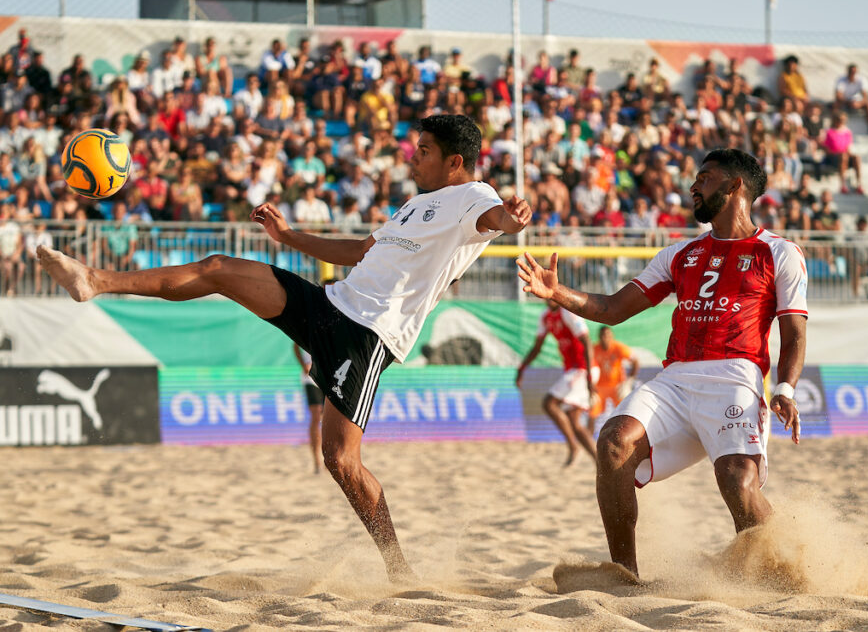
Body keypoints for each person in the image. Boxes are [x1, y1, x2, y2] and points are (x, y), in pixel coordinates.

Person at [36, 114, 532, 583]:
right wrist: (288, 235)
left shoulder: (473, 195)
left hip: (366, 336)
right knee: (218, 269)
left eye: (424, 151)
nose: (412, 159)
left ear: (455, 162)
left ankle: (398, 568)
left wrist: (510, 218)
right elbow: (360, 251)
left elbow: (496, 219)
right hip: (332, 302)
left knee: (340, 460)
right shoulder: (416, 204)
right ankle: (94, 281)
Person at [517, 148, 807, 579]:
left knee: (737, 484)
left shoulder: (779, 253)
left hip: (735, 375)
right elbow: (614, 308)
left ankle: (786, 565)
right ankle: (624, 574)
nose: (693, 186)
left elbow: (794, 332)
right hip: (675, 380)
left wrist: (784, 388)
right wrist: (558, 293)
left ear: (734, 186)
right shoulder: (679, 254)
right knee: (613, 442)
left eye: (705, 178)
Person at [516, 299, 599, 466]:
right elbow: (537, 347)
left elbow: (587, 343)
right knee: (575, 423)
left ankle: (573, 447)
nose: (545, 297)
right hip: (572, 371)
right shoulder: (546, 316)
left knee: (549, 403)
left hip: (582, 370)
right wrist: (522, 368)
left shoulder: (568, 312)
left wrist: (590, 378)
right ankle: (600, 462)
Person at [589, 326, 639, 434]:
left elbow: (635, 361)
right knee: (592, 412)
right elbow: (587, 367)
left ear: (612, 337)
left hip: (617, 385)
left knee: (624, 413)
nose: (606, 338)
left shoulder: (618, 347)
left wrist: (629, 381)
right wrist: (590, 385)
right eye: (603, 335)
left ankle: (623, 436)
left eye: (608, 335)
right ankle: (588, 441)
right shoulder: (594, 349)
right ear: (599, 337)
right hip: (599, 387)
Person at [294, 341, 325, 474]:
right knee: (316, 416)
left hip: (329, 375)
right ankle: (317, 461)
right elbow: (295, 345)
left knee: (328, 418)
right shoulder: (308, 322)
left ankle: (328, 459)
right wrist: (303, 365)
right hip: (311, 377)